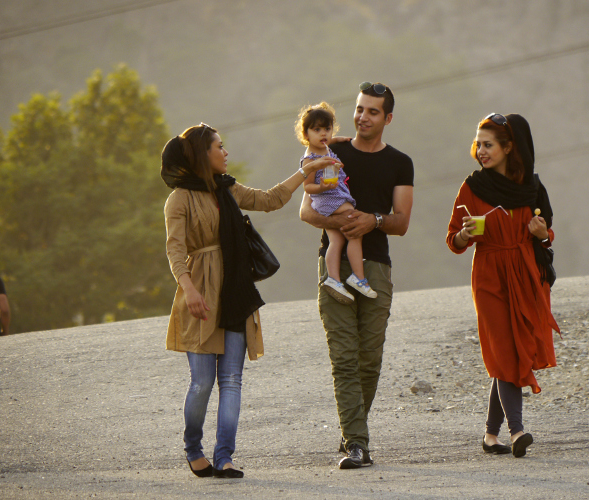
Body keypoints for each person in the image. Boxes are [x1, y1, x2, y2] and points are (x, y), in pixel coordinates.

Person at [162, 123, 335, 478]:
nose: (225, 152)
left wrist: (305, 172)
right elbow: (175, 249)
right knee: (202, 382)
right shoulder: (179, 198)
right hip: (201, 291)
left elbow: (269, 200)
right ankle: (192, 447)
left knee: (232, 381)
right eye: (219, 146)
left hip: (237, 289)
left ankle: (224, 456)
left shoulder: (228, 189)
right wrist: (189, 289)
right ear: (202, 154)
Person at [300, 82, 413, 469]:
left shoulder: (400, 162)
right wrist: (343, 220)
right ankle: (357, 443)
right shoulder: (332, 150)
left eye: (373, 111)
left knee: (369, 359)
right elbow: (305, 211)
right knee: (344, 357)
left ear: (388, 118)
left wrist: (372, 220)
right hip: (333, 263)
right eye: (360, 109)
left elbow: (401, 222)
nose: (363, 116)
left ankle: (351, 430)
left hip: (376, 268)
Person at [446, 113, 560, 459]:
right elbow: (452, 239)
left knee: (514, 346)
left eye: (489, 145)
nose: (481, 151)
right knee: (504, 350)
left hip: (525, 273)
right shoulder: (472, 187)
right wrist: (464, 234)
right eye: (478, 144)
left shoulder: (531, 188)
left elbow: (546, 235)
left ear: (508, 147)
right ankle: (518, 430)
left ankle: (490, 435)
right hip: (490, 275)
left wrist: (542, 235)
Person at [295, 101, 377, 303]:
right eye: (317, 130)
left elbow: (327, 143)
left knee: (337, 240)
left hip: (331, 199)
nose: (323, 134)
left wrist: (337, 140)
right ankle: (358, 277)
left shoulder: (325, 148)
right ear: (306, 135)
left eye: (327, 129)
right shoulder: (309, 160)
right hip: (330, 200)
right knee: (355, 230)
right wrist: (322, 186)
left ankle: (333, 279)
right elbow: (307, 187)